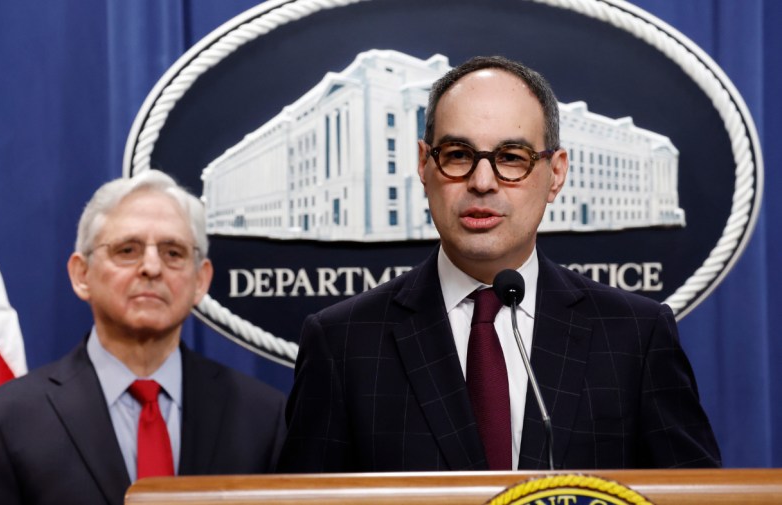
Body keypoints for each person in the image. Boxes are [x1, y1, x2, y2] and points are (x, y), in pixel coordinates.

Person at [277, 56, 720, 472]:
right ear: (423, 166)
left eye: (511, 158)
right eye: (458, 155)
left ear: (557, 173)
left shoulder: (635, 336)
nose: (482, 182)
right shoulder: (342, 342)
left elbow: (696, 497)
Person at [0, 170, 286, 505]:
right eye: (127, 250)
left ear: (200, 281)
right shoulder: (8, 422)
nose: (152, 267)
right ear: (81, 275)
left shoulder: (262, 417)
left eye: (173, 253)